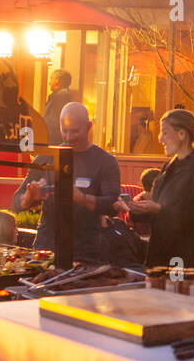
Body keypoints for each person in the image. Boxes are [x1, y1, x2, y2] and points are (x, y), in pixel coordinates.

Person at [12, 102, 122, 263]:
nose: (69, 137)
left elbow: (112, 205)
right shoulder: (46, 158)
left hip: (86, 250)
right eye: (65, 131)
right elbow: (16, 201)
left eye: (75, 131)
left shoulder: (105, 161)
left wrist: (81, 198)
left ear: (89, 127)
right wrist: (29, 197)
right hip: (46, 248)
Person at [118, 109, 194, 270]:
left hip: (184, 261)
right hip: (161, 256)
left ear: (181, 134)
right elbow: (158, 210)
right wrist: (134, 209)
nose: (160, 139)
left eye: (165, 133)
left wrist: (159, 210)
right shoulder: (168, 168)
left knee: (177, 294)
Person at [42, 69, 77, 145]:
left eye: (51, 79)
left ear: (57, 80)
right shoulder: (60, 95)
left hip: (54, 142)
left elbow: (54, 122)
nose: (49, 83)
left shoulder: (62, 95)